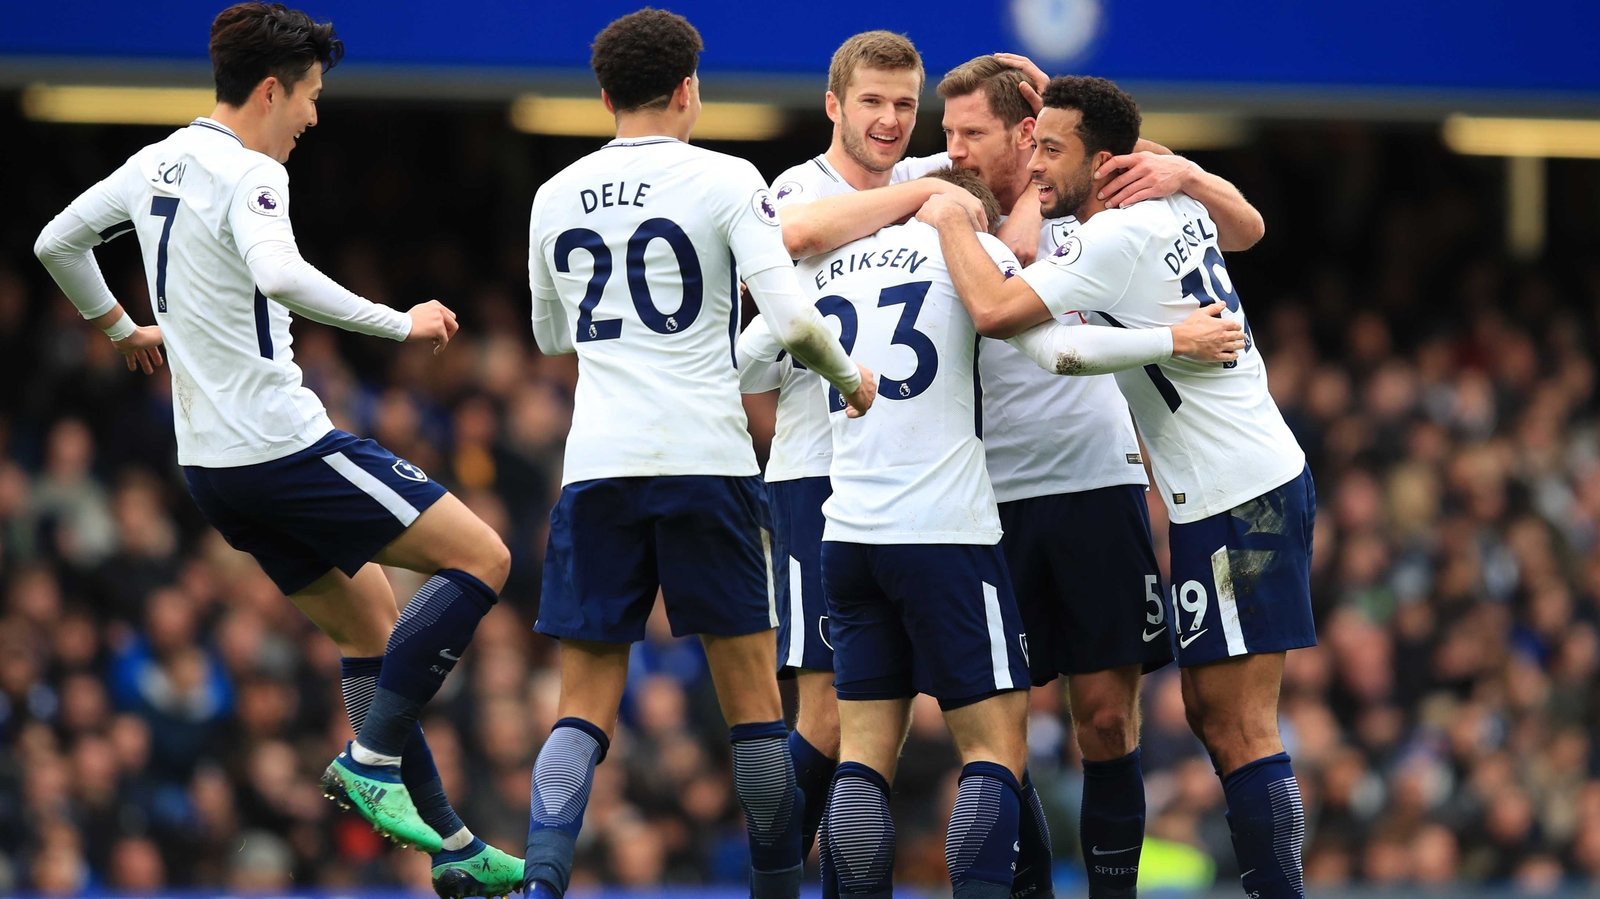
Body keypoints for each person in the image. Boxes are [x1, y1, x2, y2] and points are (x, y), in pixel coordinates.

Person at [31, 3, 521, 897]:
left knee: (376, 630)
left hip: (213, 471)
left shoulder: (155, 162)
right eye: (310, 96)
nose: (313, 116)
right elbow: (283, 274)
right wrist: (398, 323)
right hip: (284, 449)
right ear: (270, 89)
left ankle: (453, 846)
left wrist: (114, 326)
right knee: (484, 557)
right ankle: (370, 761)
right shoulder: (253, 173)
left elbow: (54, 241)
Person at [741, 166, 1242, 899]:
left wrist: (845, 377)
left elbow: (751, 356)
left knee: (863, 757)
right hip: (944, 534)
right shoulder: (969, 251)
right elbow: (1061, 353)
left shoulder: (829, 264)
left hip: (844, 535)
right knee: (994, 750)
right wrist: (1173, 338)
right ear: (966, 210)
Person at [919, 75, 1317, 899]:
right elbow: (1246, 226)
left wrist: (952, 219)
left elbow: (1007, 317)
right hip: (1226, 490)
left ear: (1106, 163)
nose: (1035, 165)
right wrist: (1191, 180)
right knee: (1214, 714)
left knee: (1237, 722)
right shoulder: (1153, 197)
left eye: (1051, 151)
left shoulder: (1111, 237)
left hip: (1240, 491)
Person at [521, 10, 875, 899]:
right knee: (755, 707)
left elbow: (548, 334)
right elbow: (792, 318)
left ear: (604, 97)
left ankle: (540, 881)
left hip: (598, 463)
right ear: (688, 91)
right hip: (703, 460)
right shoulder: (726, 178)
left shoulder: (553, 193)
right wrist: (847, 374)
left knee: (580, 709)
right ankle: (773, 889)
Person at [750, 30, 979, 872]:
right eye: (872, 103)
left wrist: (1023, 99)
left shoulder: (925, 179)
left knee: (878, 721)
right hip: (816, 473)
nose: (889, 122)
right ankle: (768, 877)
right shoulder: (792, 187)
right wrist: (922, 197)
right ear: (833, 106)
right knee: (827, 715)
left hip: (906, 484)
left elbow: (1017, 177)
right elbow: (797, 233)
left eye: (905, 107)